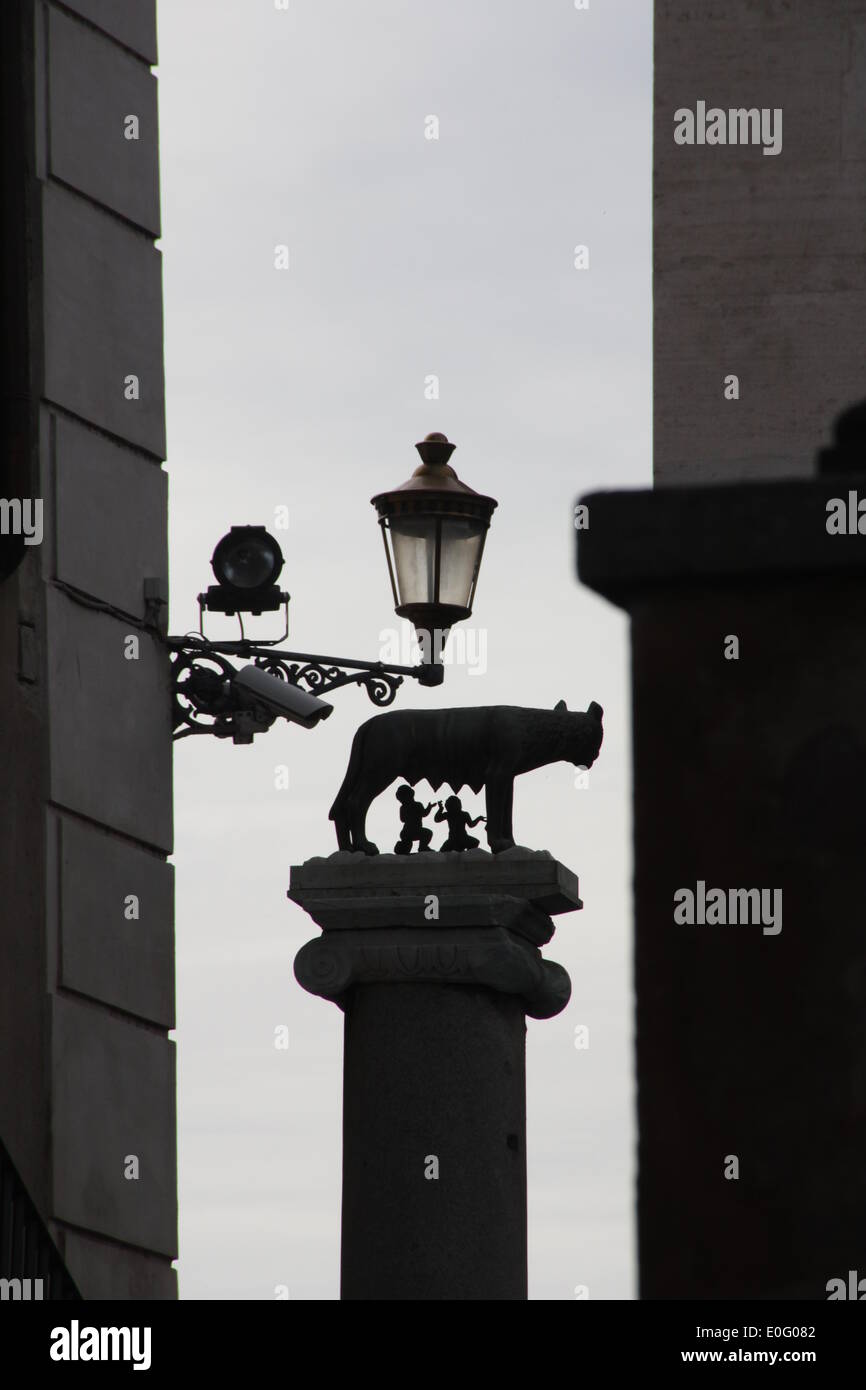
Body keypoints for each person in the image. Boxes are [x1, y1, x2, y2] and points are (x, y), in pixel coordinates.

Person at [393, 784, 435, 853]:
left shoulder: (403, 807)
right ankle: (422, 847)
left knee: (408, 843)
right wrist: (429, 807)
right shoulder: (417, 805)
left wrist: (429, 807)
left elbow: (402, 819)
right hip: (412, 830)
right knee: (428, 833)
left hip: (406, 832)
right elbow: (424, 814)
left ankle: (420, 848)